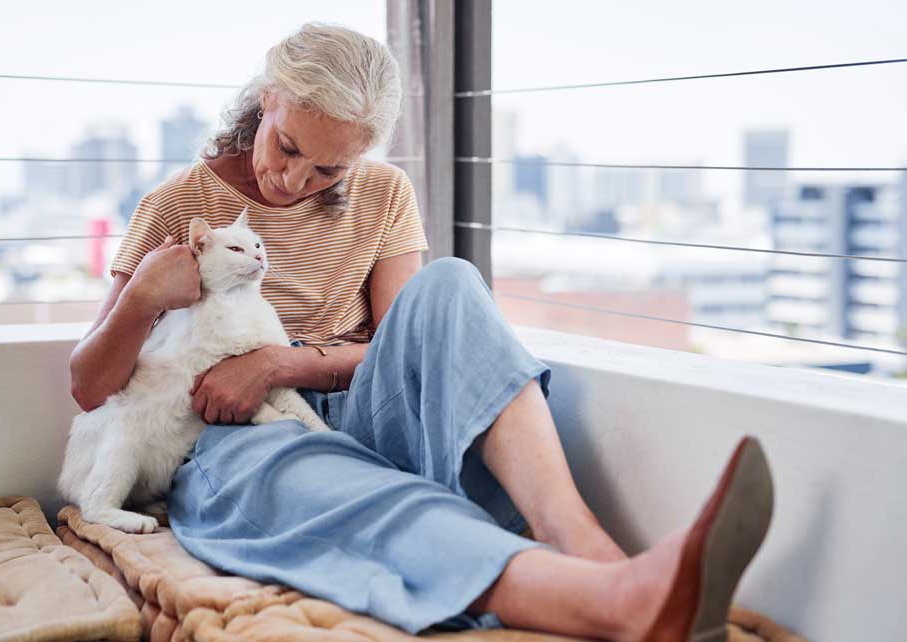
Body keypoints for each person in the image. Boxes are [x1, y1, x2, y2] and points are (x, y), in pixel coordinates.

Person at [69, 23, 774, 642]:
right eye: (287, 147)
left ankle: (582, 542)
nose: (293, 180)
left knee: (451, 283)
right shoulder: (178, 205)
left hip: (348, 403)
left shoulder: (384, 195)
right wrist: (139, 298)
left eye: (329, 168)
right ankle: (614, 604)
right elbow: (89, 387)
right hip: (232, 436)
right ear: (268, 97)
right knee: (337, 485)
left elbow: (398, 343)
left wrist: (281, 364)